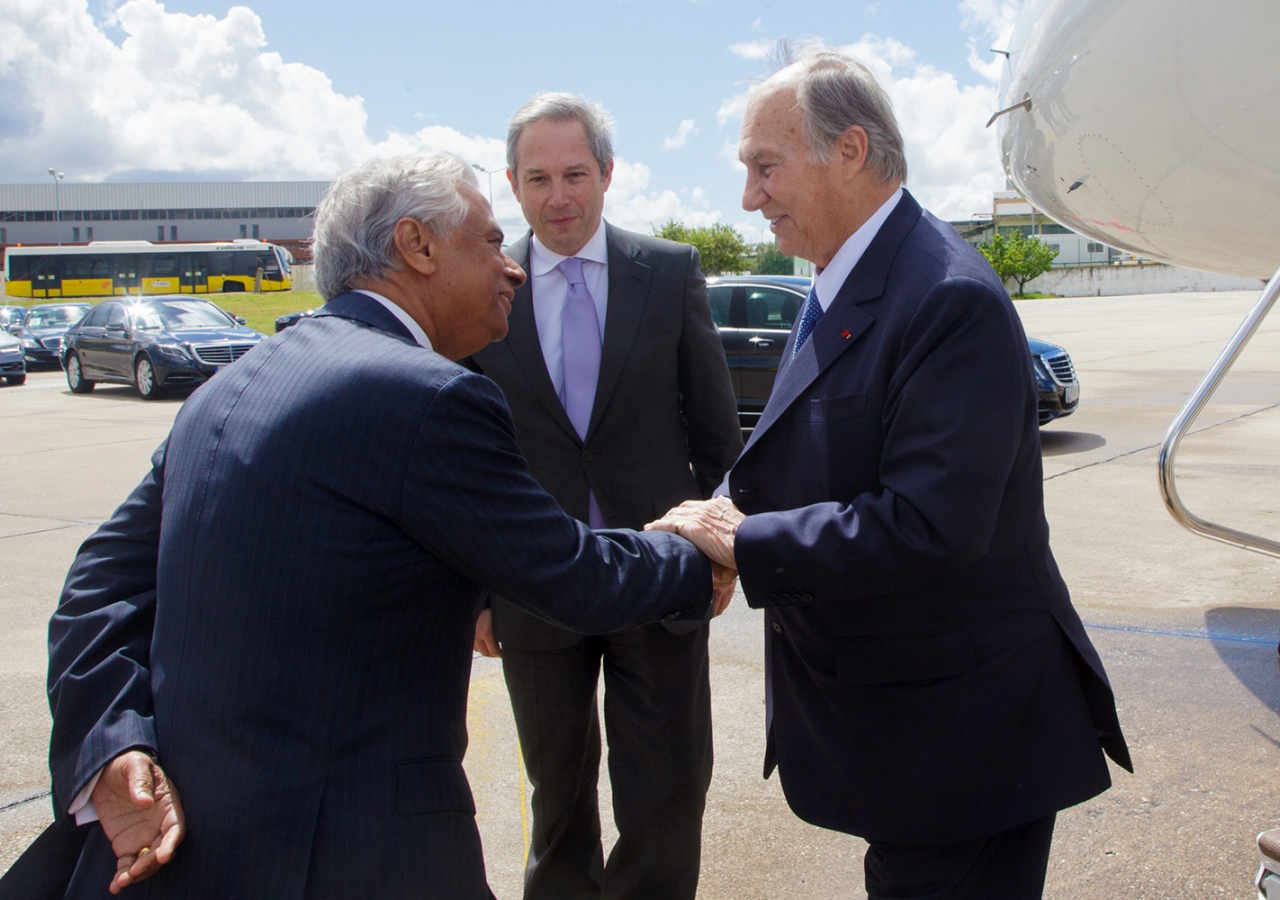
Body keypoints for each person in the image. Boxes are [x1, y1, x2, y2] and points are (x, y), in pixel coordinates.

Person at [40, 152, 726, 900]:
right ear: (417, 245)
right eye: (492, 242)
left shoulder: (233, 383)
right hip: (360, 852)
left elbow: (98, 581)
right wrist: (697, 547)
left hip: (204, 851)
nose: (515, 269)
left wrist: (112, 742)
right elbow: (572, 576)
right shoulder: (428, 395)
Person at [649, 48, 1132, 900]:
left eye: (766, 166)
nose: (749, 197)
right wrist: (722, 510)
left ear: (850, 151)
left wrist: (744, 543)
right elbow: (813, 443)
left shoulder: (948, 298)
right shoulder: (847, 275)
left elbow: (927, 524)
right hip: (908, 740)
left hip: (965, 747)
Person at [466, 93, 741, 900]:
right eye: (539, 177)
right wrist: (477, 590)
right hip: (533, 585)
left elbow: (716, 435)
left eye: (576, 174)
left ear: (609, 175)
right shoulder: (486, 289)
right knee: (557, 802)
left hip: (655, 578)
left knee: (667, 795)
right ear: (513, 185)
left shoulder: (671, 271)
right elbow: (465, 460)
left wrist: (722, 552)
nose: (560, 197)